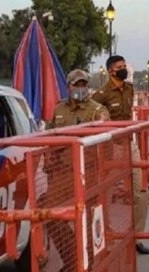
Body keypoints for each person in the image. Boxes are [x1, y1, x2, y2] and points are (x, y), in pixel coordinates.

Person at [46, 69, 109, 271]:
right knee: (48, 211)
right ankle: (73, 259)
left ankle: (86, 266)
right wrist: (49, 162)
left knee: (90, 224)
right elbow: (48, 137)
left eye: (84, 84)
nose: (81, 88)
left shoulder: (96, 110)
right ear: (69, 86)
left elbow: (104, 126)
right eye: (77, 84)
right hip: (63, 173)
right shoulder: (59, 110)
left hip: (89, 172)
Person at [92, 55, 149, 255]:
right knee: (106, 194)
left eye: (125, 66)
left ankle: (137, 236)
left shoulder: (129, 89)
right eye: (120, 67)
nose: (124, 69)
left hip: (129, 144)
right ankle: (105, 235)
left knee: (141, 191)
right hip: (111, 148)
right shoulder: (101, 95)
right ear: (110, 71)